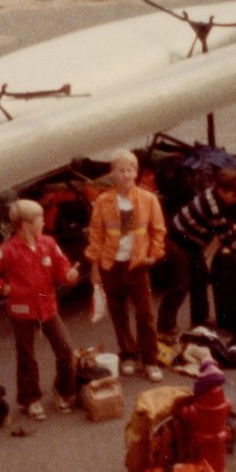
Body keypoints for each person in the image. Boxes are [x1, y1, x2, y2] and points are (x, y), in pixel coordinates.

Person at [0, 199, 80, 420]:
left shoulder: (49, 244)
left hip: (46, 304)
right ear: (24, 224)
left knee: (66, 350)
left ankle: (63, 391)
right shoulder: (8, 251)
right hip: (21, 310)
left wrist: (69, 276)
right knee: (27, 357)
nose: (44, 221)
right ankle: (30, 399)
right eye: (39, 218)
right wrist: (3, 288)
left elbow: (62, 268)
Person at [85, 149, 167, 381]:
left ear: (136, 172)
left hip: (137, 266)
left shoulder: (148, 199)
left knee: (145, 315)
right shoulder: (103, 201)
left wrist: (154, 254)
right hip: (111, 266)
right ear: (112, 174)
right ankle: (128, 355)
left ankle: (150, 360)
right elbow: (96, 235)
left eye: (130, 169)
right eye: (121, 170)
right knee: (119, 314)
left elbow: (158, 231)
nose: (126, 174)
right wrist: (95, 269)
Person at [156, 168, 236, 340]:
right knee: (181, 285)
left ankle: (200, 318)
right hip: (180, 242)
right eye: (234, 196)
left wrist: (231, 227)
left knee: (200, 278)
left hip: (193, 241)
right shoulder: (212, 204)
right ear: (222, 190)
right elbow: (224, 235)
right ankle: (164, 326)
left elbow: (218, 222)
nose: (235, 200)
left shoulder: (215, 195)